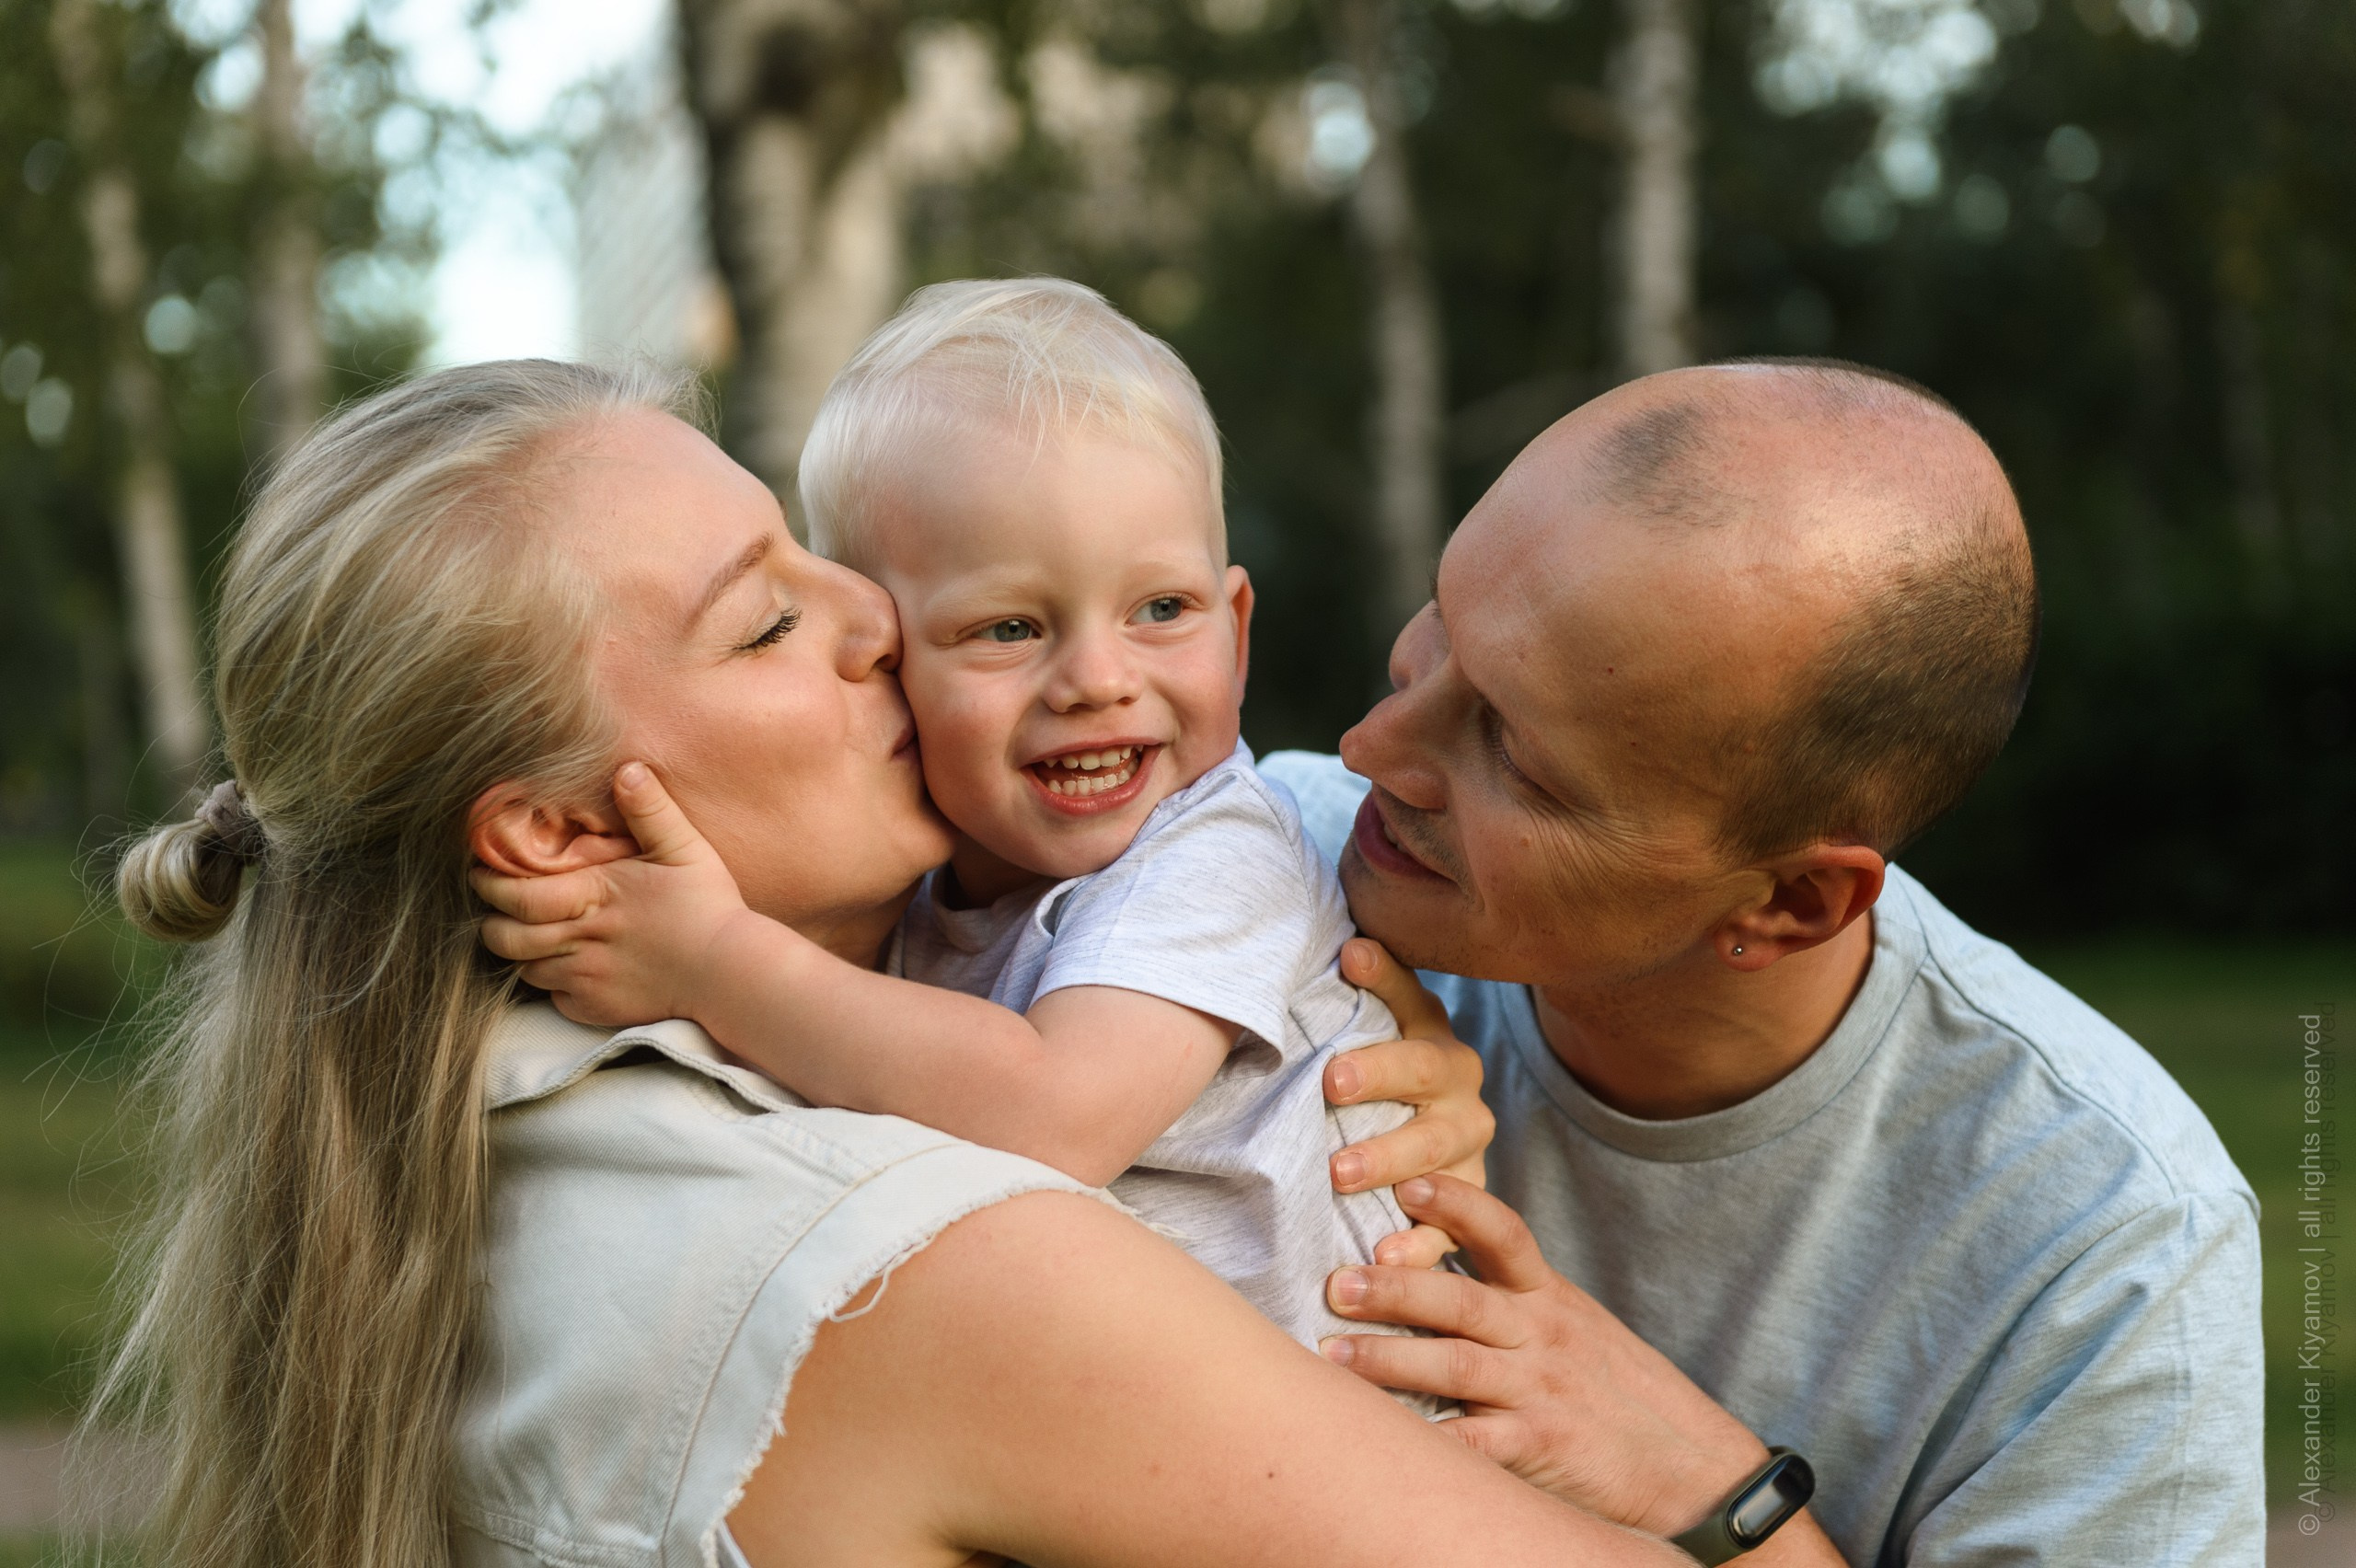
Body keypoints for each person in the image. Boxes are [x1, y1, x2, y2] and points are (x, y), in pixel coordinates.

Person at [98, 358, 1690, 1568]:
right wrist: (1731, 1490)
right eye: (765, 622)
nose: (873, 613)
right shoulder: (900, 1258)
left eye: (808, 556)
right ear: (553, 833)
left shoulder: (465, 1159)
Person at [1260, 361, 2266, 1564]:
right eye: (1439, 620)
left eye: (1516, 756)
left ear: (1790, 902)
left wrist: (1718, 1496)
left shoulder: (2104, 1246)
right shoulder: (1256, 888)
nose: (1369, 747)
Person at [473, 280, 1466, 1390]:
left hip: (1374, 1423)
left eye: (1160, 610)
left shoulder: (1217, 853)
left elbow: (1052, 1117)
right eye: (1008, 628)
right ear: (892, 654)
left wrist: (712, 960)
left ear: (1235, 633)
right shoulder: (922, 896)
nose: (1097, 679)